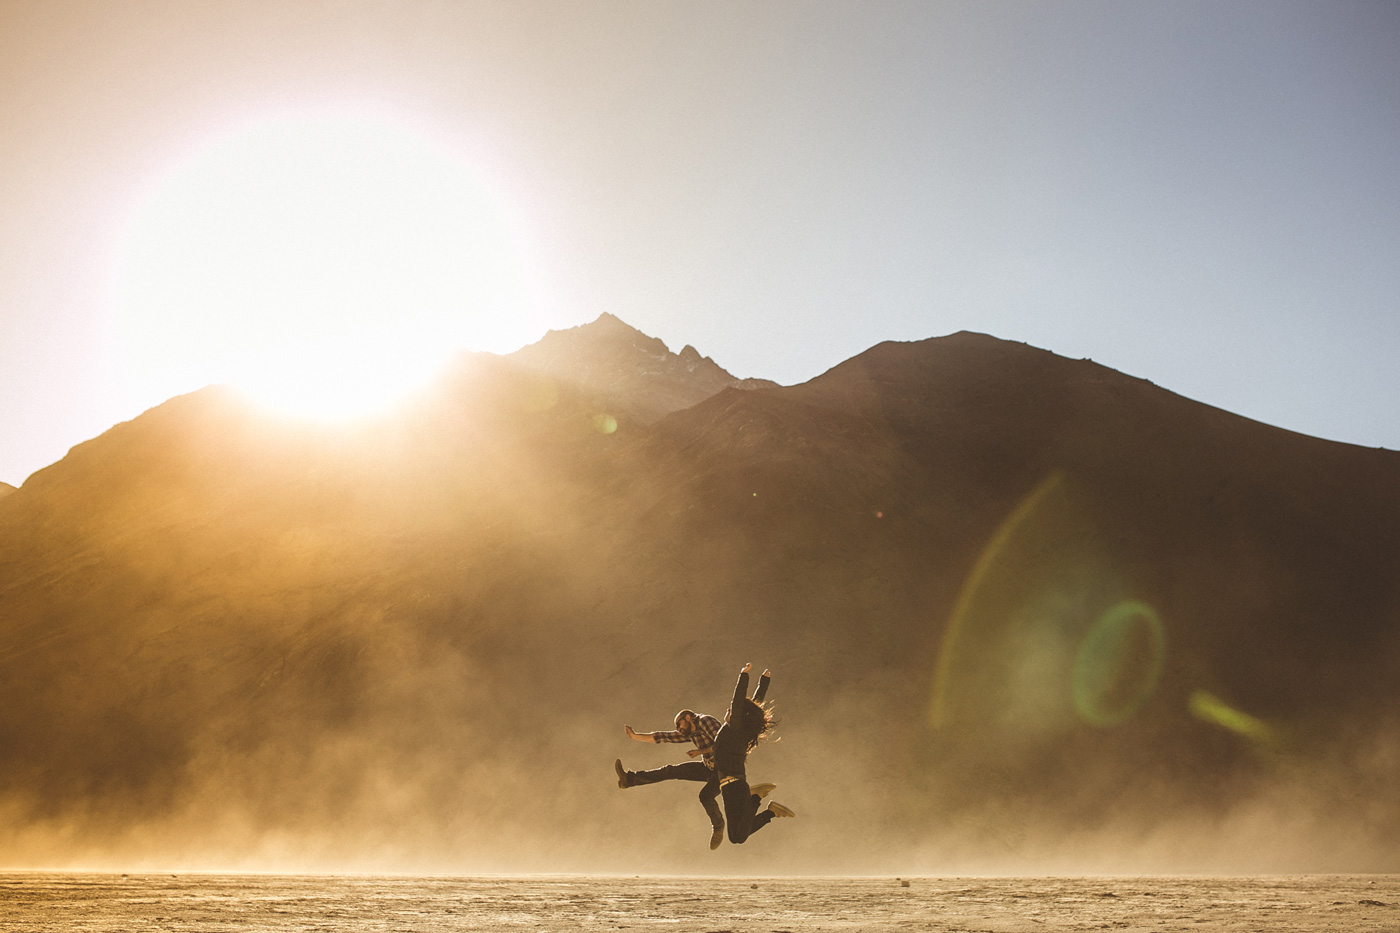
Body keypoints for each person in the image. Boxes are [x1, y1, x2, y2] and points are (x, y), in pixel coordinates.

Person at [615, 707, 776, 850]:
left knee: (705, 796)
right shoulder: (691, 732)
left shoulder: (706, 722)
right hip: (708, 768)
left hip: (723, 770)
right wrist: (635, 736)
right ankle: (629, 780)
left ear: (688, 718)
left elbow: (722, 744)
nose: (678, 729)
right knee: (670, 771)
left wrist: (700, 752)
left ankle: (718, 826)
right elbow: (664, 737)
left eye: (679, 724)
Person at [712, 662, 795, 844]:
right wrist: (763, 682)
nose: (729, 710)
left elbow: (738, 700)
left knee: (737, 837)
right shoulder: (740, 729)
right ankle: (771, 812)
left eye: (732, 710)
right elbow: (754, 705)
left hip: (733, 786)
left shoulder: (735, 728)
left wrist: (744, 675)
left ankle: (757, 796)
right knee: (737, 836)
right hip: (733, 786)